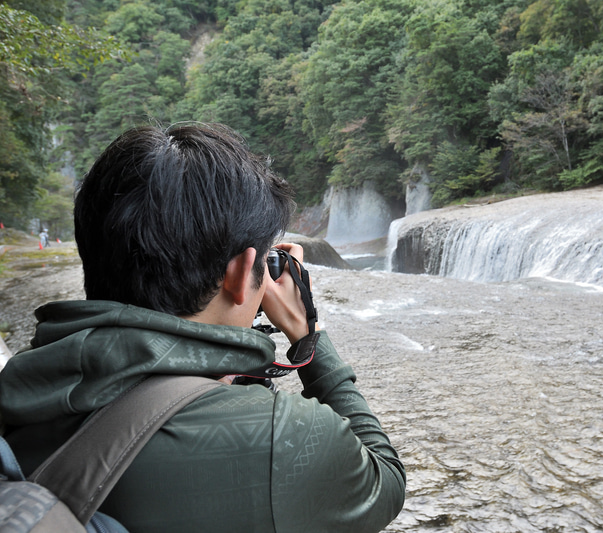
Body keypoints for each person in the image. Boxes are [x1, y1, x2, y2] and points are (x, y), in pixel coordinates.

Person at [0, 124, 405, 532]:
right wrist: (307, 338)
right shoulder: (280, 437)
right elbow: (384, 481)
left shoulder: (23, 383)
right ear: (241, 272)